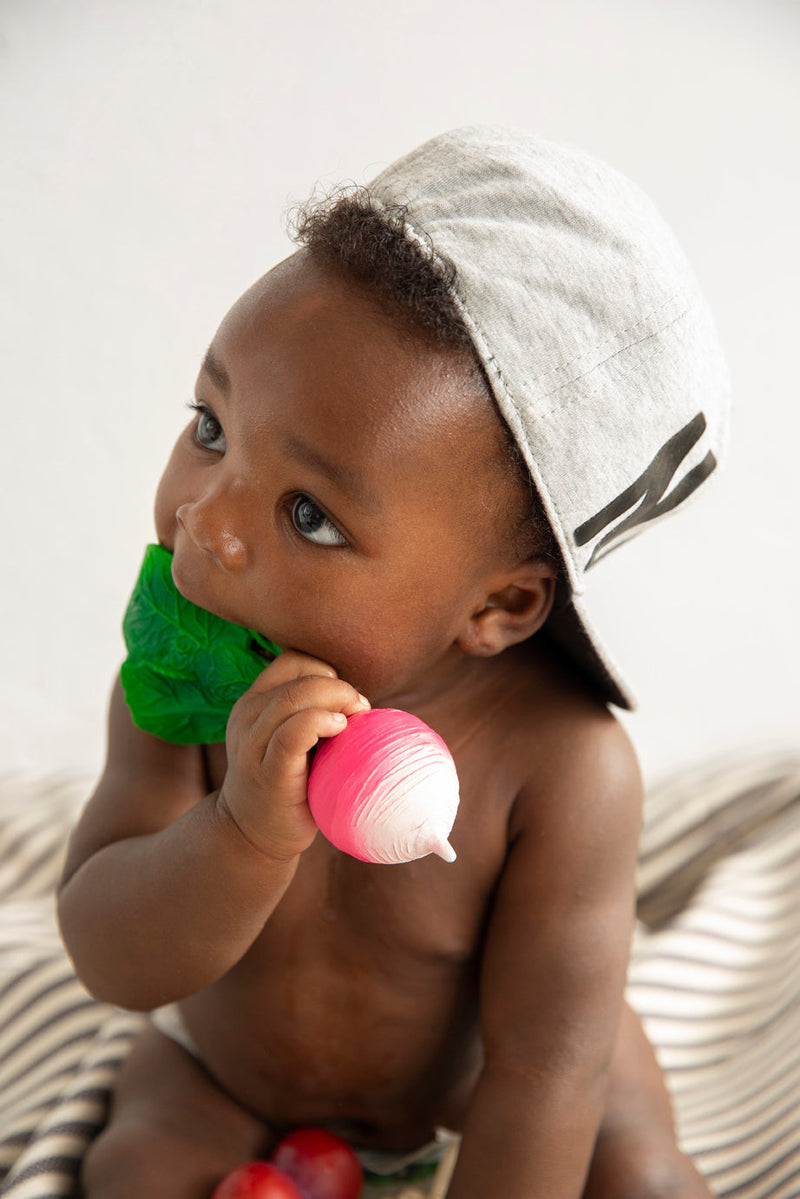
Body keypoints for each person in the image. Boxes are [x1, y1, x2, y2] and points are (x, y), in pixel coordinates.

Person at [57, 127, 729, 1197]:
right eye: (212, 425)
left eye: (310, 514)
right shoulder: (180, 687)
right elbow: (109, 954)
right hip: (231, 1077)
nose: (203, 524)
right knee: (136, 1166)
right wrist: (237, 832)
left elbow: (540, 1068)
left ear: (499, 604)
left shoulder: (559, 766)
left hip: (485, 1094)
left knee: (641, 1171)